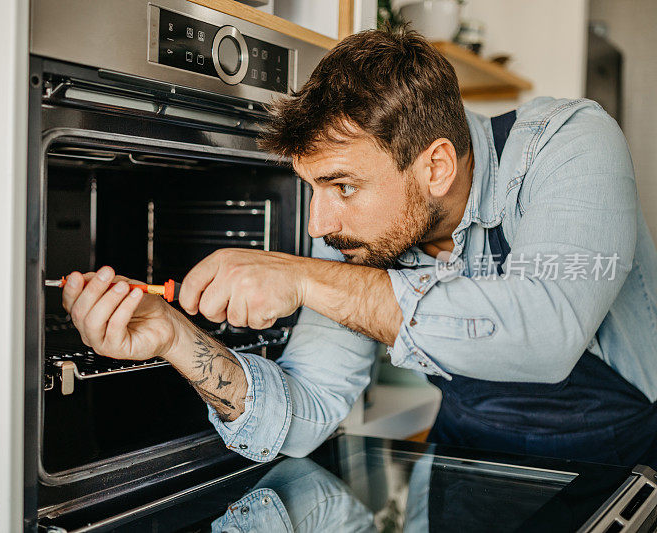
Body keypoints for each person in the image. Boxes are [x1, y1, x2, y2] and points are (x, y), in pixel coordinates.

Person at [61, 27, 657, 467]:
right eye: (312, 189)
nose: (318, 224)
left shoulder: (567, 144)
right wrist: (174, 339)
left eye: (342, 186)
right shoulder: (363, 241)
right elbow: (306, 412)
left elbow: (545, 336)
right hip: (467, 458)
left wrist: (300, 279)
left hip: (622, 457)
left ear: (437, 166)